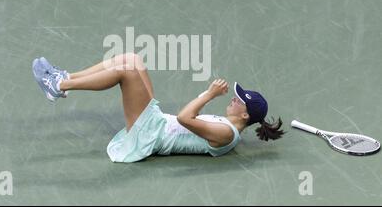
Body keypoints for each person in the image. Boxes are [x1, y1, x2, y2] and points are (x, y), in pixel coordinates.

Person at [32, 53, 284, 163]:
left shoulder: (228, 134)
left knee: (126, 72)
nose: (233, 99)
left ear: (245, 115)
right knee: (132, 59)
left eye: (238, 100)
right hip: (157, 122)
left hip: (150, 135)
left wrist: (208, 94)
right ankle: (65, 78)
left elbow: (186, 118)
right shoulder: (228, 126)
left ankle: (59, 85)